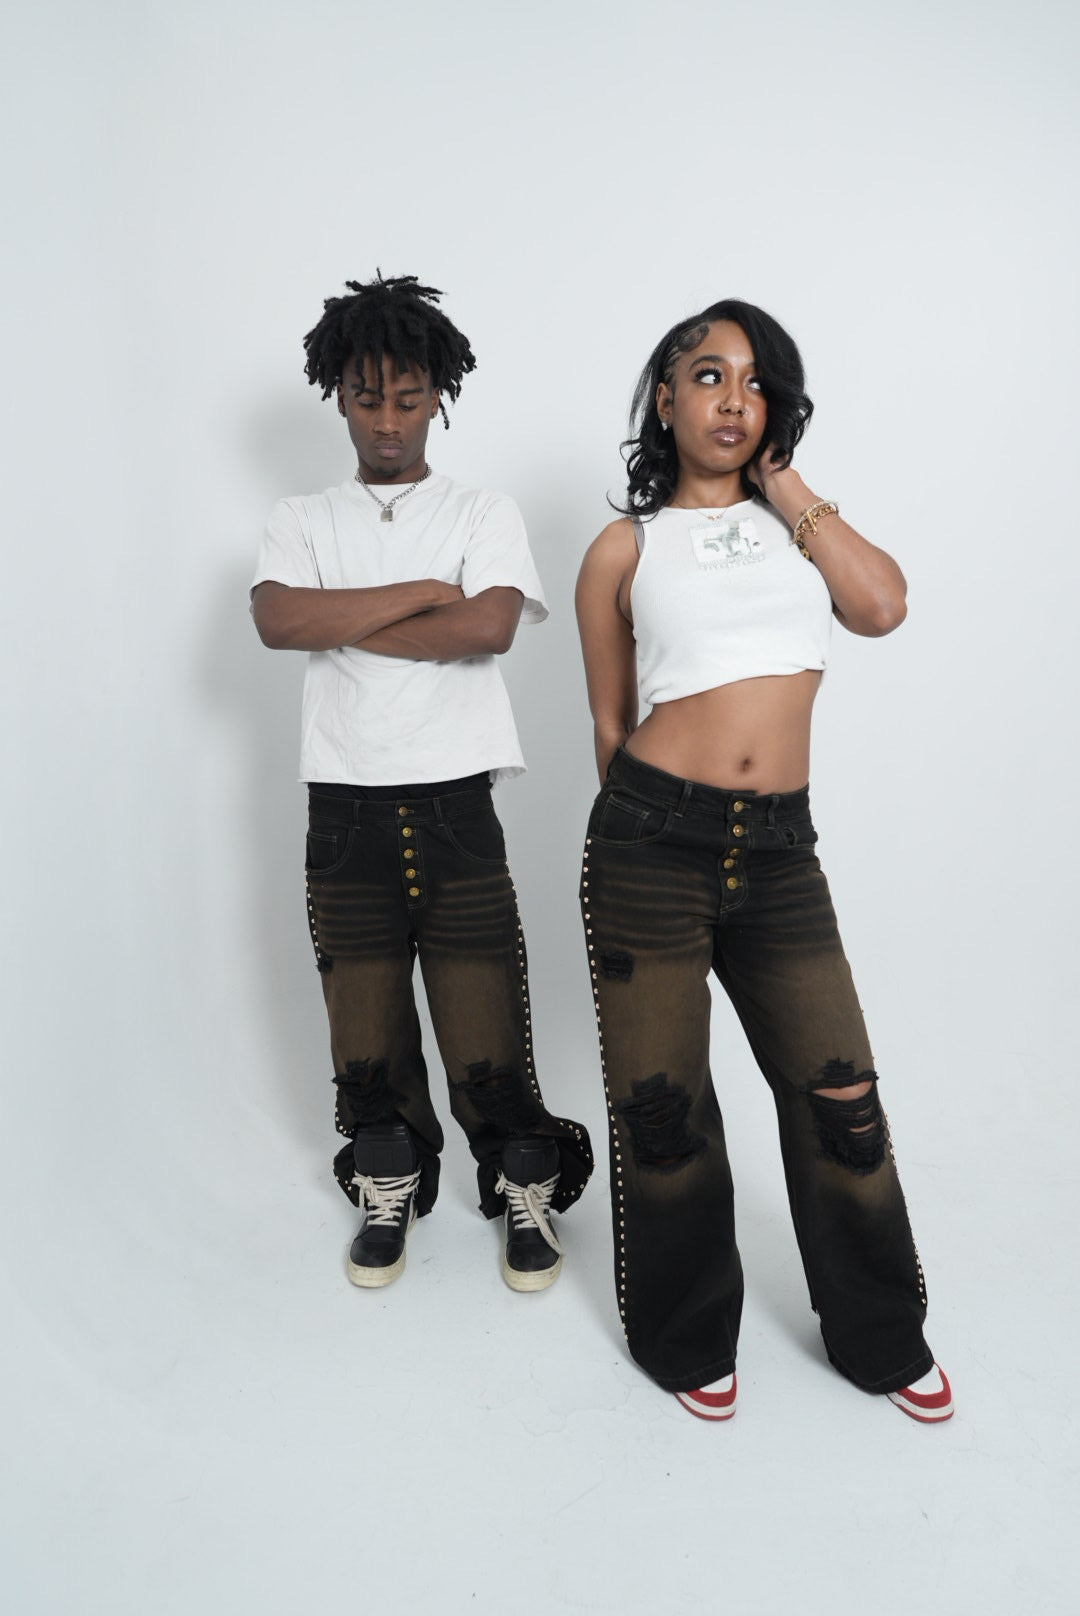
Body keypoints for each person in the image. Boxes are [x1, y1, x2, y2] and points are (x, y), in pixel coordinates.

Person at [574, 298, 951, 1422]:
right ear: (665, 398)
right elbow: (608, 725)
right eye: (707, 375)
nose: (731, 399)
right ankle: (687, 1335)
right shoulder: (624, 547)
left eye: (754, 381)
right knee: (665, 1108)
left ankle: (880, 1334)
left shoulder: (801, 528)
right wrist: (649, 823)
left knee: (843, 1094)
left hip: (781, 852)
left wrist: (785, 484)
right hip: (651, 842)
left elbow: (881, 606)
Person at [252, 272, 592, 1294]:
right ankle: (389, 1177)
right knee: (363, 1024)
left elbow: (487, 626)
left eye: (408, 398)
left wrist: (345, 614)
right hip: (342, 806)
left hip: (455, 805)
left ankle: (522, 1184)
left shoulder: (483, 510)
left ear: (438, 396)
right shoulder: (301, 515)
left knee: (485, 1018)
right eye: (368, 398)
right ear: (340, 397)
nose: (389, 421)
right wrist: (416, 594)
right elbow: (278, 620)